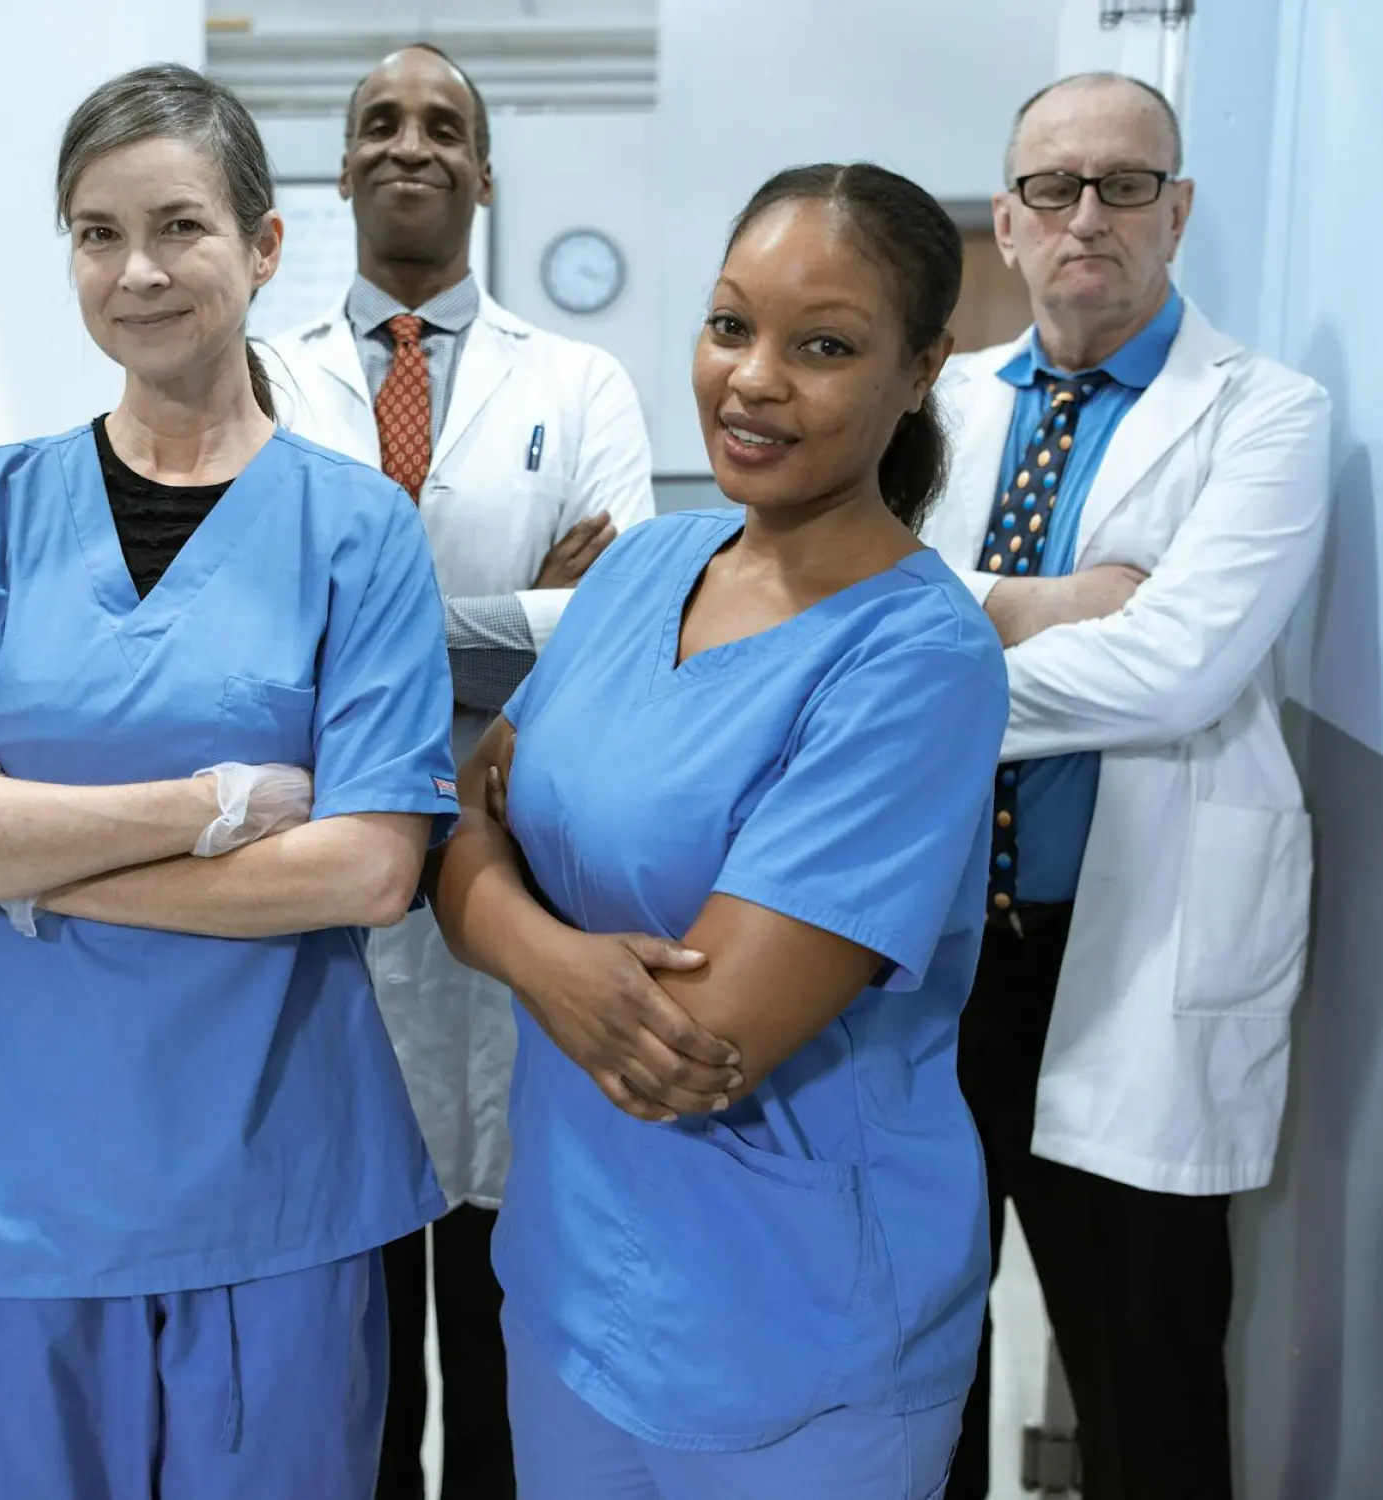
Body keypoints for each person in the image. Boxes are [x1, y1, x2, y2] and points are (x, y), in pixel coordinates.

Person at [0, 64, 459, 1500]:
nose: (137, 270)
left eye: (178, 227)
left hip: (267, 1176)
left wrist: (11, 853)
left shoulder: (356, 533)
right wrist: (210, 809)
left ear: (264, 246)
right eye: (96, 233)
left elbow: (366, 870)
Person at [432, 162, 1009, 1500]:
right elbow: (461, 810)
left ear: (920, 369)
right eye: (728, 324)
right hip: (572, 1275)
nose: (751, 379)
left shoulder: (913, 657)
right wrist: (556, 953)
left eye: (822, 346)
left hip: (796, 1327)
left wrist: (492, 900)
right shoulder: (640, 568)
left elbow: (690, 1050)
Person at [921, 74, 1330, 1500]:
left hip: (1126, 963)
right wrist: (1051, 604)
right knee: (917, 1361)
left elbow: (1173, 673)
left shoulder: (1268, 417)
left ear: (1180, 210)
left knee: (1144, 1379)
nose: (1086, 215)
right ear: (1007, 219)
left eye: (1124, 184)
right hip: (932, 960)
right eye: (1052, 188)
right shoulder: (945, 406)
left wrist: (931, 657)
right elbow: (851, 611)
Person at [262, 45, 654, 1498]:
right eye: (378, 122)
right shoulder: (260, 374)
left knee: (506, 1301)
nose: (408, 144)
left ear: (483, 175)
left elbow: (602, 629)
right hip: (328, 882)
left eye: (443, 127)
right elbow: (246, 631)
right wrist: (507, 627)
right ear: (344, 168)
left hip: (513, 869)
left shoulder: (583, 379)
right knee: (352, 1318)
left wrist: (356, 633)